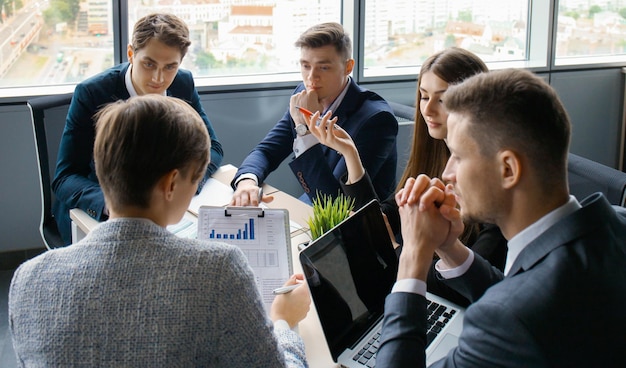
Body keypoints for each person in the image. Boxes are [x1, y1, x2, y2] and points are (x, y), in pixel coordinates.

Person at [9, 94, 310, 367]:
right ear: (170, 185)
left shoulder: (28, 279)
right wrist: (283, 321)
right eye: (196, 180)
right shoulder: (218, 270)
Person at [376, 69, 626, 367]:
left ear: (508, 168)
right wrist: (448, 246)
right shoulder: (613, 223)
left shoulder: (508, 319)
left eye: (458, 156)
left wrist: (413, 258)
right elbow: (521, 288)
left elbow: (516, 308)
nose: (447, 174)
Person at [304, 47, 506, 306]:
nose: (428, 109)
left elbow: (464, 290)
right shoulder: (432, 157)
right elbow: (384, 217)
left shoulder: (491, 188)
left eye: (442, 100)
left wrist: (403, 250)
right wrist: (350, 154)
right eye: (423, 97)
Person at [52, 13, 224, 245]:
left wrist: (186, 187)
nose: (158, 78)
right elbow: (65, 177)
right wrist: (116, 206)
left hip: (167, 207)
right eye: (149, 64)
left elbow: (212, 148)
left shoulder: (183, 83)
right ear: (131, 53)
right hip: (104, 213)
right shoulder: (92, 93)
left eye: (170, 67)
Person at [230, 22, 398, 206]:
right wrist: (247, 181)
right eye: (305, 65)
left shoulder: (376, 120)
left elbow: (335, 203)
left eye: (323, 67)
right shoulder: (303, 94)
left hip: (356, 224)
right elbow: (267, 151)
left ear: (348, 67)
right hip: (312, 205)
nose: (311, 77)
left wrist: (304, 132)